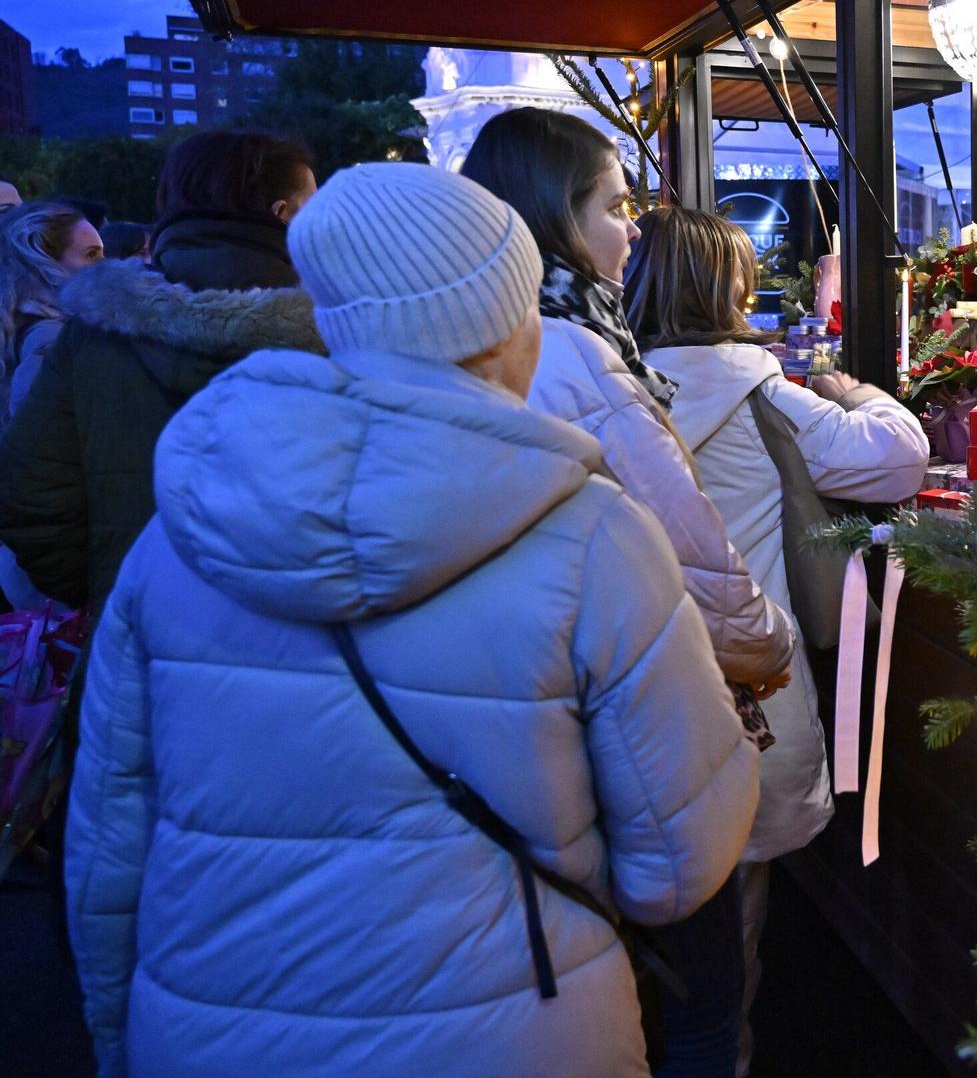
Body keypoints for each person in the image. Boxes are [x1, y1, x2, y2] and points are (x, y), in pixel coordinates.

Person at [64, 162, 758, 1076]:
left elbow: (107, 853)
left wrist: (119, 1043)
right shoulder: (594, 538)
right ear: (502, 323)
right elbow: (677, 864)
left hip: (213, 1034)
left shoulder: (178, 539)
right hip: (516, 1037)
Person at [460, 108, 792, 1077]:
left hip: (528, 725)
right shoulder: (573, 350)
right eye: (613, 205)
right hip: (629, 710)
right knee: (697, 992)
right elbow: (692, 555)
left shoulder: (513, 343)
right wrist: (765, 651)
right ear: (551, 218)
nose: (632, 228)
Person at [628, 208, 929, 1071]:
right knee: (733, 933)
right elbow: (899, 456)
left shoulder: (607, 389)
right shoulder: (769, 397)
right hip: (743, 693)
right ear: (731, 287)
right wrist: (855, 391)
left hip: (633, 686)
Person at [0, 131, 322, 615]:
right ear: (284, 213)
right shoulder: (344, 333)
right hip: (305, 643)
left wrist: (116, 593)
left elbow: (30, 500)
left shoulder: (91, 332)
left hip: (136, 646)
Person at [0, 201, 103, 424]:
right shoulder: (50, 335)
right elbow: (35, 430)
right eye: (91, 254)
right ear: (43, 262)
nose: (106, 265)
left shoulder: (30, 325)